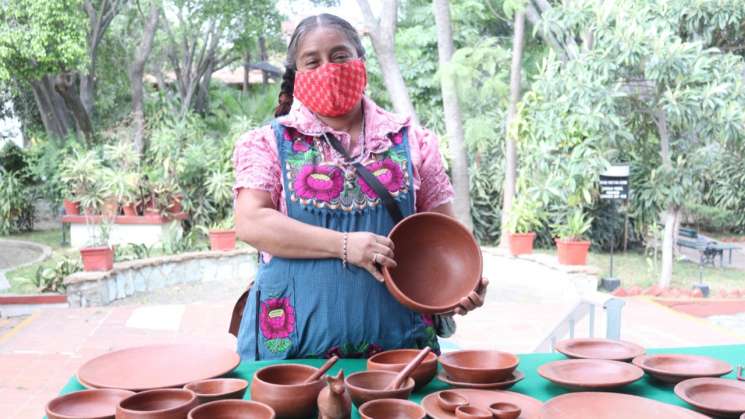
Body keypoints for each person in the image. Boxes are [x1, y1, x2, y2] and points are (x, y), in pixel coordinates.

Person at [232, 13, 488, 361]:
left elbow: (447, 237)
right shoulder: (267, 143)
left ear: (361, 63)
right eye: (313, 61)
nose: (329, 68)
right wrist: (344, 245)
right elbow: (251, 222)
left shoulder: (413, 141)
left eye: (340, 56)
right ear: (297, 76)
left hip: (399, 357)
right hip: (290, 358)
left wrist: (462, 285)